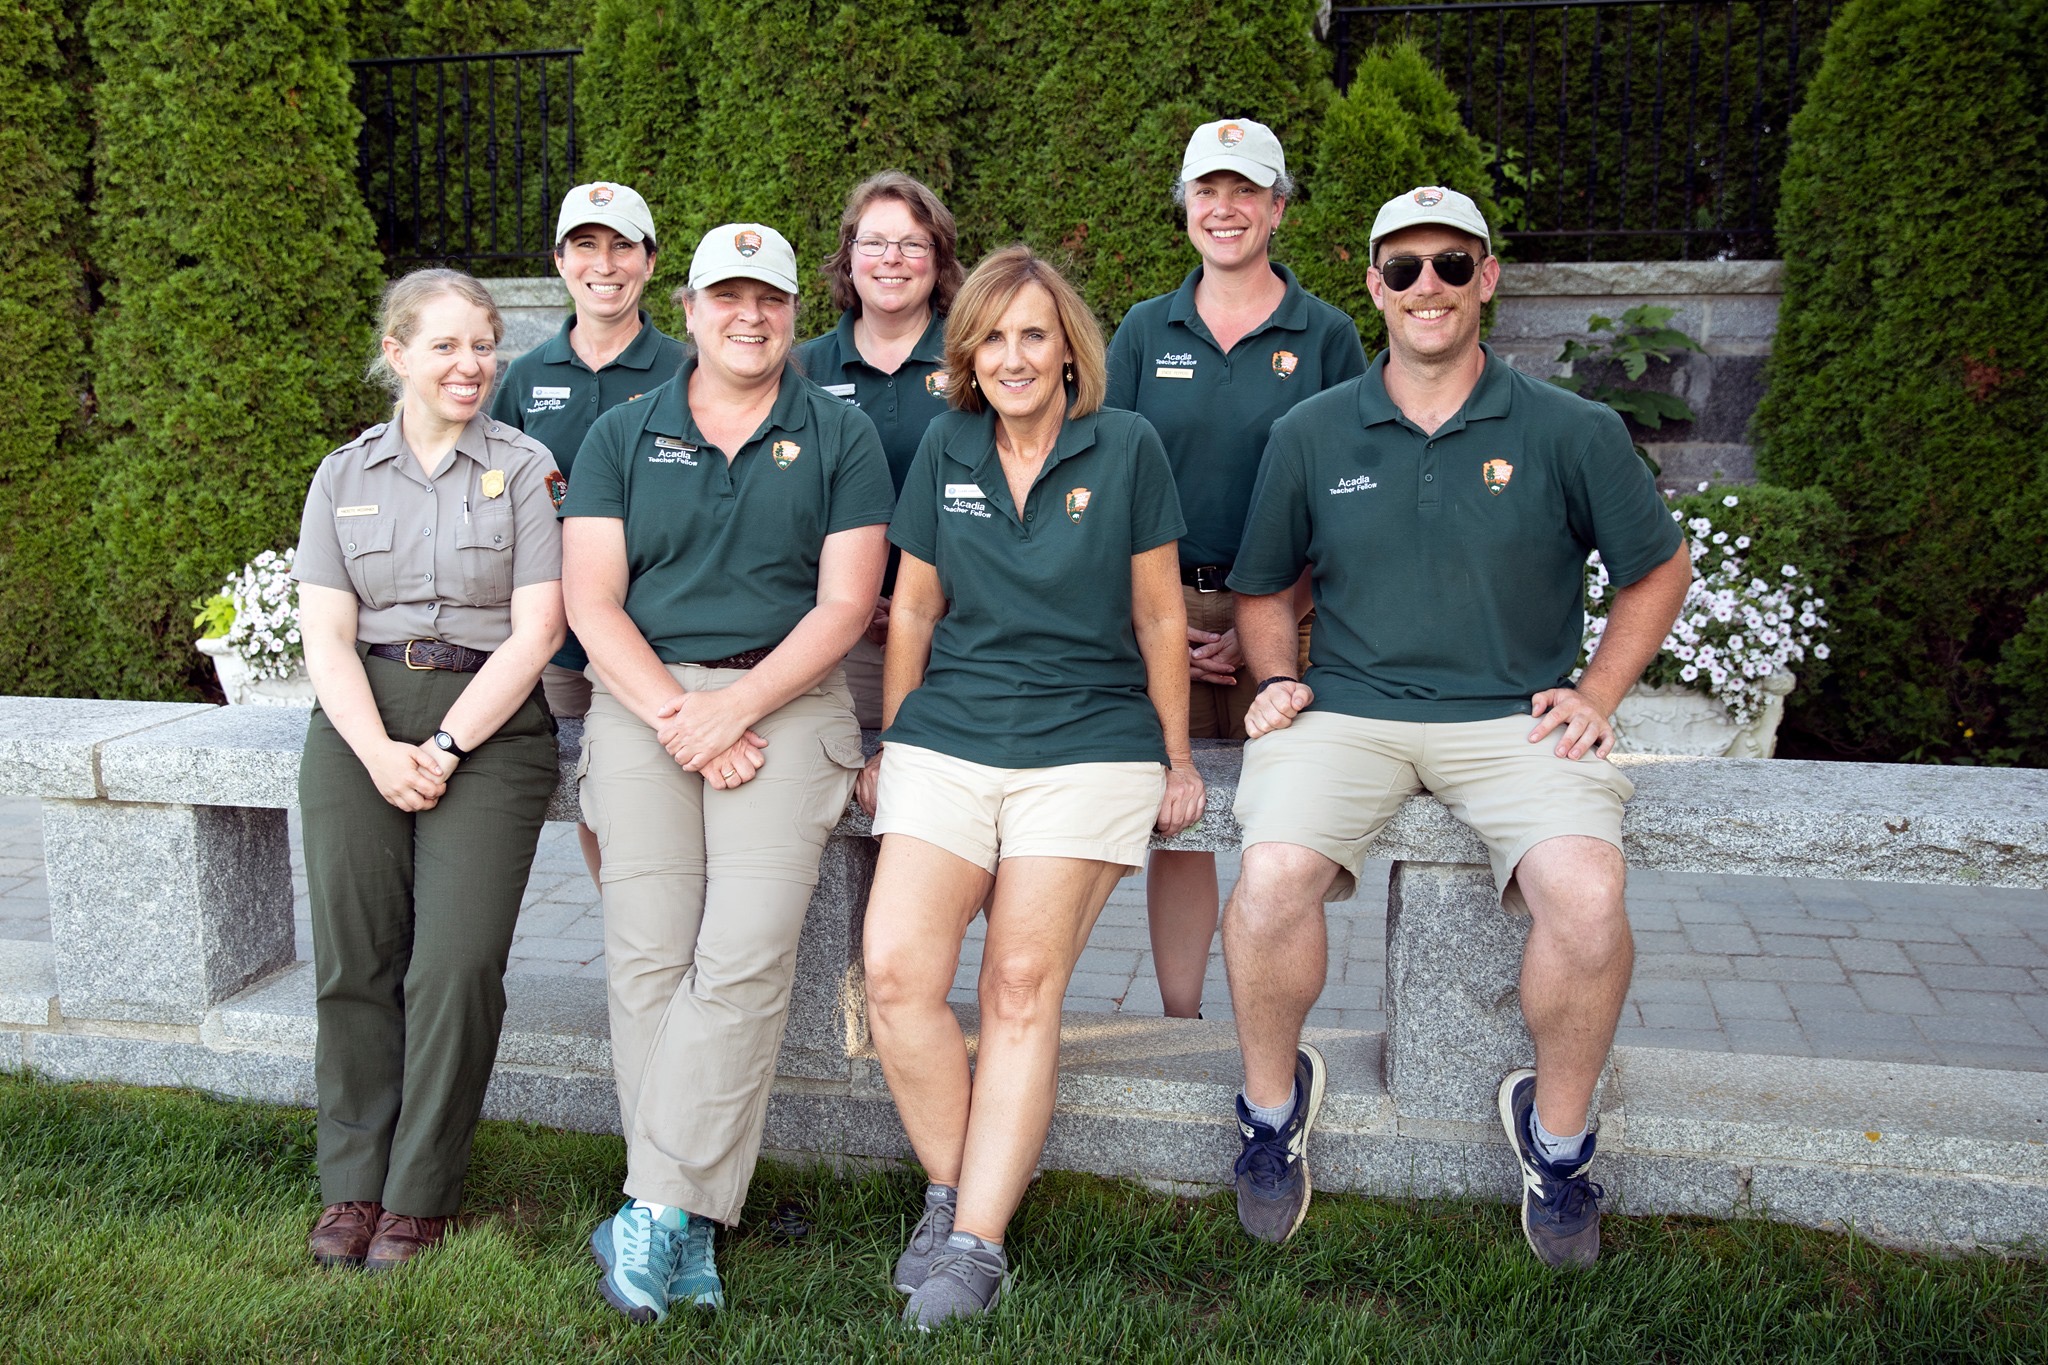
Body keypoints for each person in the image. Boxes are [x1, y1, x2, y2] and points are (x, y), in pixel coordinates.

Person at [1220, 186, 1692, 1265]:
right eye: (1401, 269)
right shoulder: (1310, 429)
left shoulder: (1569, 429)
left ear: (1487, 277)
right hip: (1346, 712)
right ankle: (1267, 1111)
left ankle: (1557, 1139)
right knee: (1271, 877)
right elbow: (1258, 586)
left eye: (1448, 264)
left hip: (1510, 719)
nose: (1423, 286)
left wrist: (1598, 692)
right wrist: (1278, 674)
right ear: (1373, 287)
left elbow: (1657, 568)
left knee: (1586, 894)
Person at [857, 246, 1206, 1328]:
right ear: (966, 352)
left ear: (1067, 351)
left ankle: (972, 1244)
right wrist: (891, 738)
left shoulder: (1128, 445)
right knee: (897, 976)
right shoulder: (944, 447)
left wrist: (1178, 756)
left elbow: (1158, 617)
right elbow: (910, 611)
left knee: (1017, 980)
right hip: (949, 737)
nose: (1012, 356)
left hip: (1088, 745)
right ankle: (956, 1183)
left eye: (1032, 335)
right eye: (992, 336)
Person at [562, 223, 894, 1321]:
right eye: (725, 298)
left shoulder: (840, 435)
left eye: (767, 299)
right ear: (690, 309)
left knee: (744, 958)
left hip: (786, 704)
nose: (746, 317)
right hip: (645, 698)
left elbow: (846, 605)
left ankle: (649, 1210)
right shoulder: (622, 432)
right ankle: (690, 1219)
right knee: (648, 957)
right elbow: (590, 599)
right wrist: (677, 712)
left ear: (794, 312)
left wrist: (736, 708)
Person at [296, 268, 566, 1272]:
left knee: (453, 965)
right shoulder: (343, 475)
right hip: (360, 719)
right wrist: (374, 750)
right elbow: (326, 636)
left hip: (487, 729)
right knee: (354, 959)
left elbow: (538, 630)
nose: (471, 365)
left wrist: (447, 746)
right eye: (446, 346)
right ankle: (351, 1184)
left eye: (483, 345)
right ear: (397, 354)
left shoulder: (528, 465)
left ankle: (418, 1194)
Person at [1105, 117, 1367, 1019]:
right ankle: (1180, 1022)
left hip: (1284, 618)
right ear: (1185, 208)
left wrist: (1269, 615)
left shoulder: (1328, 335)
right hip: (1160, 609)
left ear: (1279, 208)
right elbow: (1109, 485)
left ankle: (1269, 1025)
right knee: (1179, 827)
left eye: (1245, 191)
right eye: (1207, 191)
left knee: (1277, 830)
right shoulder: (1143, 332)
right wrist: (1158, 624)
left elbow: (1348, 492)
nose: (1225, 209)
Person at [490, 181, 687, 885]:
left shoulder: (686, 370)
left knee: (685, 793)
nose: (604, 264)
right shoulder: (526, 376)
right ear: (560, 260)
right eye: (585, 246)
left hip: (669, 630)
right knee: (600, 799)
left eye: (621, 246)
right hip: (567, 640)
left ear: (651, 262)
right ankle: (631, 934)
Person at [796, 171, 965, 728]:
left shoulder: (979, 364)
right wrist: (852, 605)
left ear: (938, 260)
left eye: (913, 244)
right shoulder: (799, 369)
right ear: (848, 257)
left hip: (963, 632)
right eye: (873, 243)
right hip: (837, 638)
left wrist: (930, 606)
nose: (891, 258)